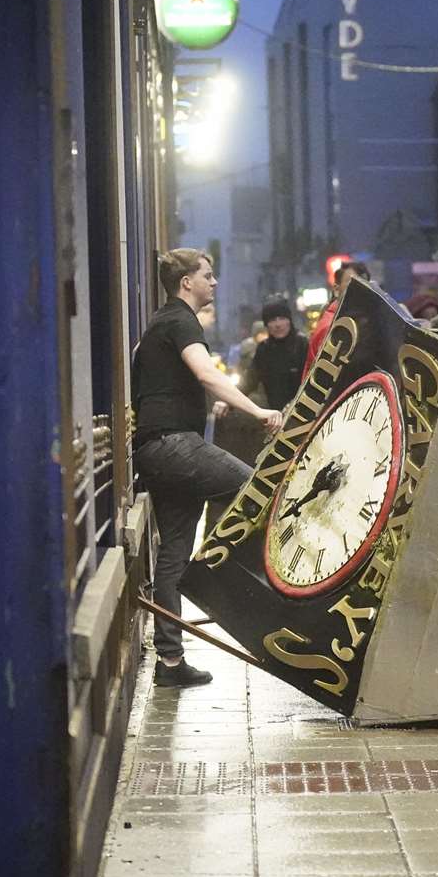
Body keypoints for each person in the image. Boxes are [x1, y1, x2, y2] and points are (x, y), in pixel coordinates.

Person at [133, 248, 284, 688]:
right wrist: (258, 412)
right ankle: (265, 598)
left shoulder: (159, 323)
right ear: (187, 283)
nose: (214, 283)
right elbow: (205, 373)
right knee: (260, 492)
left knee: (174, 554)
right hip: (176, 446)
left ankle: (171, 663)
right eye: (208, 275)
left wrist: (210, 403)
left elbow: (165, 380)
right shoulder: (181, 321)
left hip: (155, 450)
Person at [241, 299, 308, 409]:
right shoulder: (263, 349)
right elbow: (249, 381)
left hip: (304, 411)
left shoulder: (303, 344)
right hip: (276, 416)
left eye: (282, 318)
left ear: (289, 321)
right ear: (266, 325)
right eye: (272, 320)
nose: (278, 324)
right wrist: (228, 401)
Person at [306, 259, 369, 373]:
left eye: (363, 283)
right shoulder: (331, 327)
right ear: (336, 289)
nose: (359, 288)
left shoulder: (359, 321)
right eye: (352, 283)